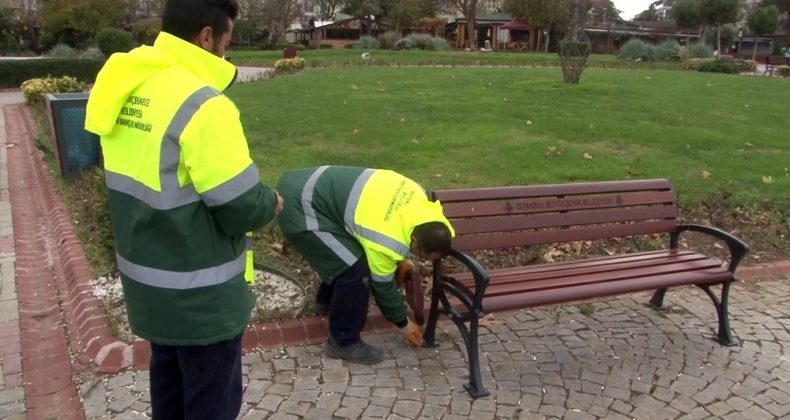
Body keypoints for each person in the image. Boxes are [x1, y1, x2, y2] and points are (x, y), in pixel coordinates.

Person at [84, 0, 283, 418]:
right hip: (200, 299)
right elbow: (241, 205)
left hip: (150, 289)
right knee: (212, 401)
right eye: (227, 41)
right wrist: (272, 202)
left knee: (169, 394)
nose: (226, 52)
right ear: (207, 37)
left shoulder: (129, 83)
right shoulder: (203, 105)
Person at [276, 166, 455, 364]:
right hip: (299, 206)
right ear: (414, 240)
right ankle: (343, 341)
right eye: (421, 254)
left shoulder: (419, 197)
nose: (421, 258)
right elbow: (383, 288)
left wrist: (401, 260)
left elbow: (387, 223)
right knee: (355, 270)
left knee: (345, 254)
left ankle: (327, 302)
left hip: (306, 182)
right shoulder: (386, 241)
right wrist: (404, 325)